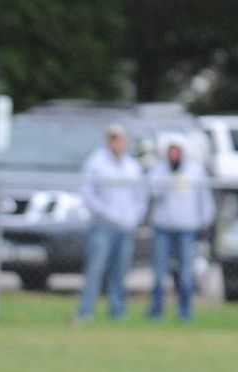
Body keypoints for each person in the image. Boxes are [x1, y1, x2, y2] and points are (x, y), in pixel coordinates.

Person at [76, 124, 147, 323]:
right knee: (95, 269)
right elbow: (88, 194)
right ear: (108, 140)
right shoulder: (96, 163)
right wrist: (106, 214)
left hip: (126, 227)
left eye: (120, 139)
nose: (117, 143)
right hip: (102, 226)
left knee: (121, 270)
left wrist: (134, 218)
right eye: (113, 138)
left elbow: (140, 197)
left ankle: (117, 311)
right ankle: (86, 310)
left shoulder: (132, 166)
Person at [146, 139, 214, 321]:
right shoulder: (159, 170)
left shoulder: (195, 171)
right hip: (163, 228)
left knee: (186, 272)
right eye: (171, 151)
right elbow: (152, 193)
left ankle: (185, 311)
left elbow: (205, 200)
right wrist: (169, 177)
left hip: (187, 229)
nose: (174, 155)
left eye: (177, 151)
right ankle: (156, 310)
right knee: (160, 272)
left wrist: (204, 224)